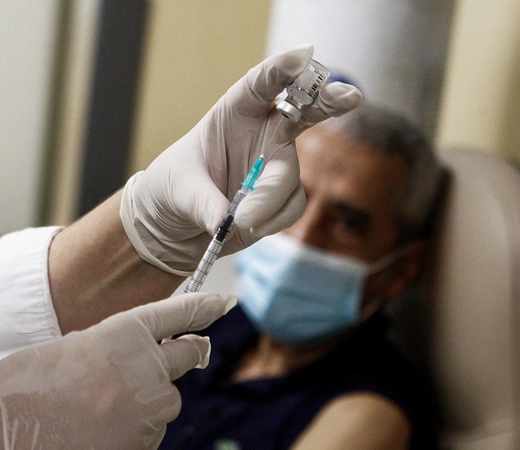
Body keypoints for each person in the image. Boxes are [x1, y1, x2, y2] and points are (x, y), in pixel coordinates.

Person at [0, 44, 363, 449]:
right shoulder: (223, 332)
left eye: (348, 223)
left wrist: (143, 231)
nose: (305, 237)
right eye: (308, 201)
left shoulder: (361, 405)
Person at [158, 103, 445, 449]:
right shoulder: (216, 328)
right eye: (291, 200)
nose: (301, 238)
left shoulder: (366, 416)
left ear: (402, 269)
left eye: (347, 224)